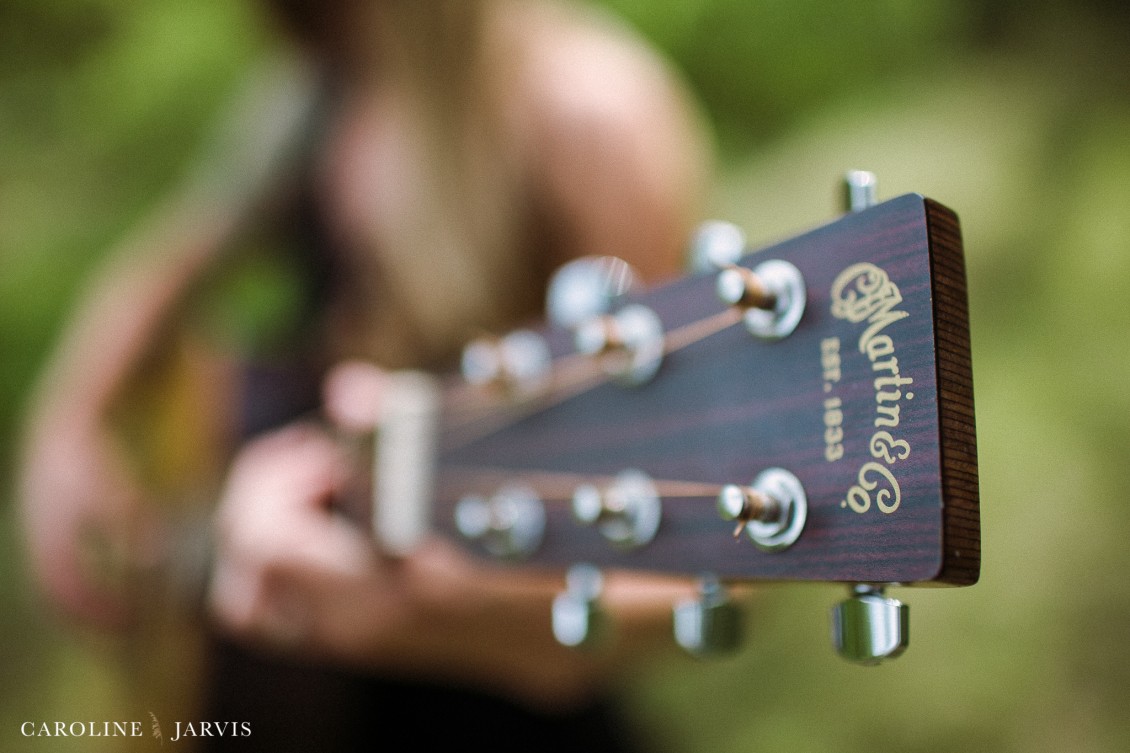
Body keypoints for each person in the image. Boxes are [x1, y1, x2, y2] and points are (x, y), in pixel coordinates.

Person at [18, 0, 711, 749]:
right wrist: (63, 430)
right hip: (307, 697)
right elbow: (177, 256)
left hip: (490, 707)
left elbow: (696, 561)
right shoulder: (326, 82)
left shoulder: (588, 114)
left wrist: (467, 623)